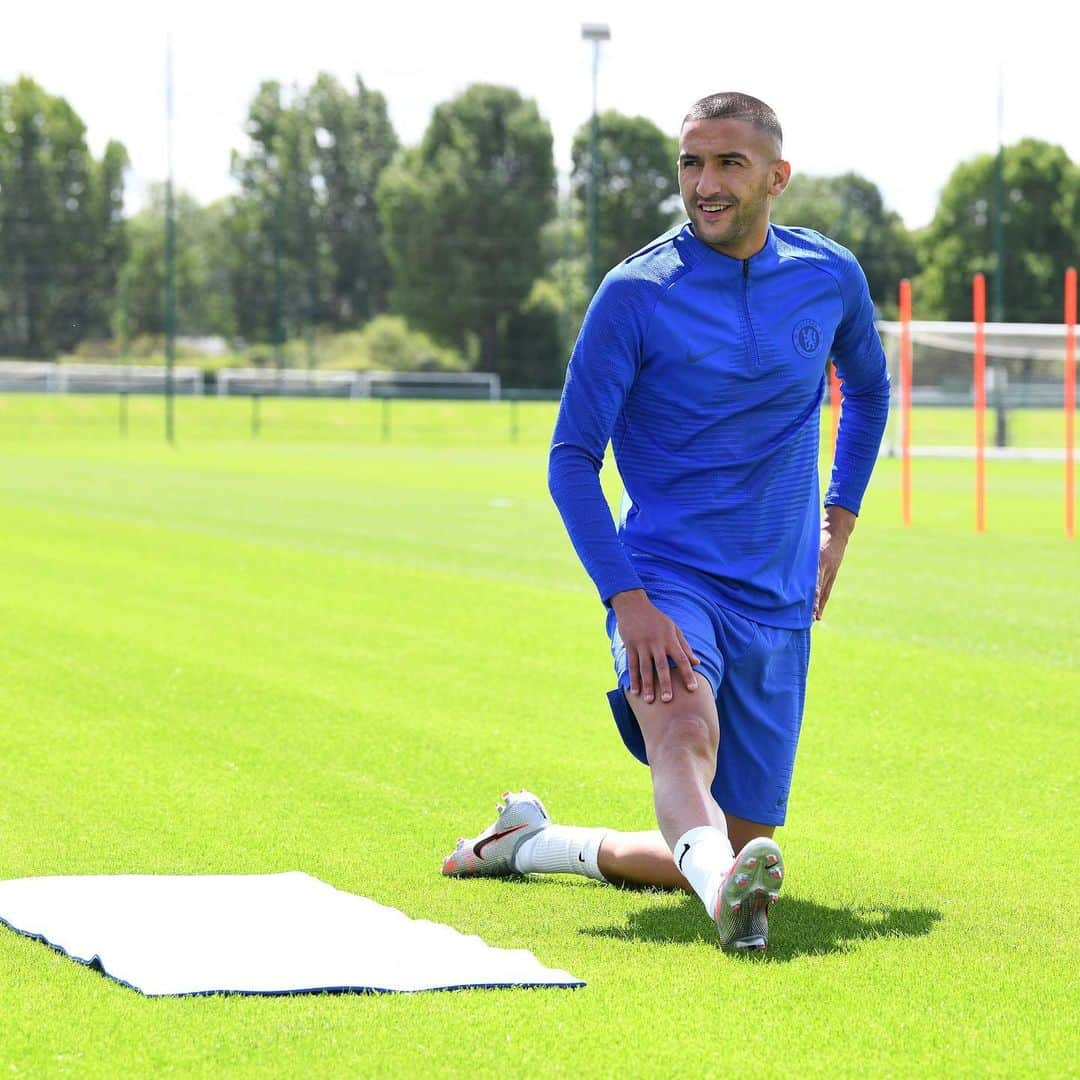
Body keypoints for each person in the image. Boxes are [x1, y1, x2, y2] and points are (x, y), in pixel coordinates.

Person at [442, 91, 890, 952]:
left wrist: (839, 524)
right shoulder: (635, 292)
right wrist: (629, 601)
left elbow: (868, 390)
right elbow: (571, 459)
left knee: (742, 843)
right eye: (691, 163)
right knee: (682, 728)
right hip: (667, 581)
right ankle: (726, 901)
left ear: (777, 177)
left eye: (729, 163)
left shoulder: (829, 276)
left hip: (779, 595)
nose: (706, 183)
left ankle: (534, 843)